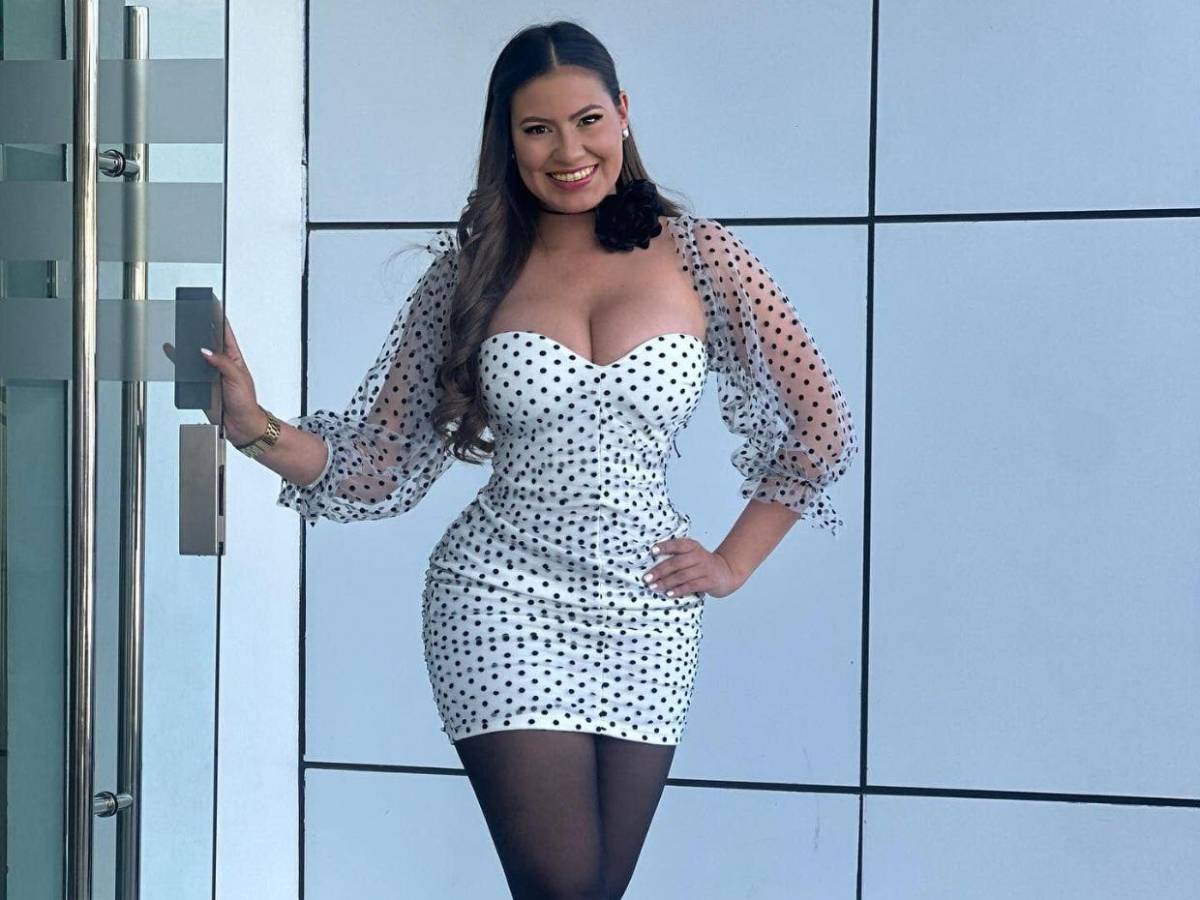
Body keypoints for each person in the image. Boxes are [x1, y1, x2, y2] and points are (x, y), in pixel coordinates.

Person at [191, 20, 858, 900]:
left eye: (587, 121)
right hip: (500, 594)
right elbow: (378, 462)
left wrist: (733, 564)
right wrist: (254, 427)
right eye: (538, 129)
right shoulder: (473, 272)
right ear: (507, 141)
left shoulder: (703, 255)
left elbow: (820, 424)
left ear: (623, 113)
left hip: (647, 611)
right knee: (562, 885)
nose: (568, 152)